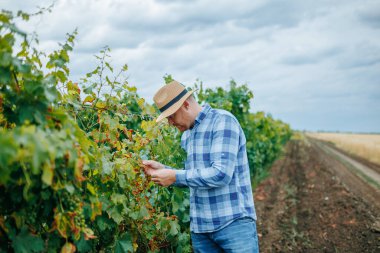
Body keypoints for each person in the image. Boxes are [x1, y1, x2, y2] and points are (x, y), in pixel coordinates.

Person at [143, 80, 259, 253]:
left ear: (186, 105)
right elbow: (194, 176)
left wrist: (174, 175)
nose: (170, 123)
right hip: (201, 229)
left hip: (233, 224)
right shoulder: (187, 135)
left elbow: (221, 174)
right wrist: (163, 169)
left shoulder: (222, 121)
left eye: (171, 116)